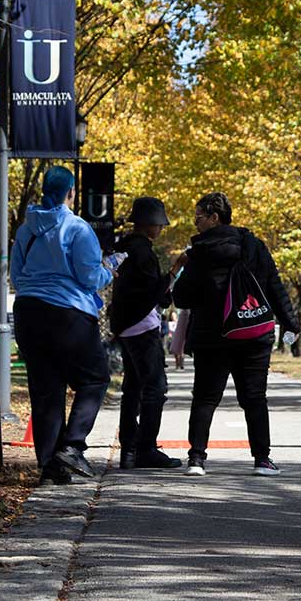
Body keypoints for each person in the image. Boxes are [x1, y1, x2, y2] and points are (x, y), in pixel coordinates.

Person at [172, 192, 299, 478]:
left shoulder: (198, 253)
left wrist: (180, 271)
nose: (196, 224)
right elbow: (274, 286)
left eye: (199, 218)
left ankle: (196, 459)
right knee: (255, 397)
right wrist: (290, 322)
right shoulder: (253, 246)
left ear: (214, 217)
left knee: (205, 397)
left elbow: (182, 298)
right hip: (253, 332)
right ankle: (262, 460)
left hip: (211, 336)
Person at [10, 166, 113, 485]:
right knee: (95, 378)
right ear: (71, 192)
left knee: (46, 388)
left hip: (28, 312)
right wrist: (109, 272)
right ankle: (72, 446)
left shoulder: (26, 229)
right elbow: (89, 276)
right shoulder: (78, 229)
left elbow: (16, 275)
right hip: (68, 313)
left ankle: (49, 465)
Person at [110, 197, 187, 470]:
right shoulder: (143, 253)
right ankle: (145, 449)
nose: (161, 229)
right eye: (159, 224)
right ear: (148, 224)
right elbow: (152, 294)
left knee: (132, 386)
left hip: (125, 325)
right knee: (155, 387)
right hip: (142, 326)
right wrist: (175, 271)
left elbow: (150, 292)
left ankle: (128, 450)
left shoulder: (126, 249)